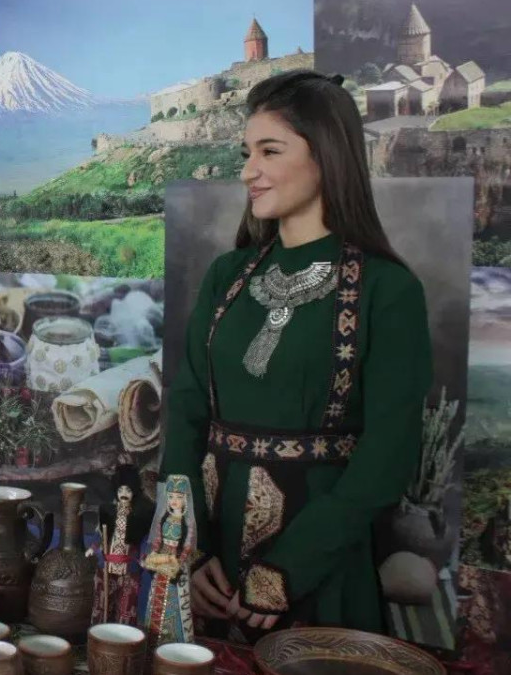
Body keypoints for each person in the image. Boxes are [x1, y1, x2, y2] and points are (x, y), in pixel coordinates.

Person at [160, 69, 433, 642]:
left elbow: (388, 454)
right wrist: (187, 542)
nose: (248, 171)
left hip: (320, 567)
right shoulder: (227, 276)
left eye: (270, 151)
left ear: (326, 156)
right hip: (208, 566)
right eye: (246, 153)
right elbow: (186, 412)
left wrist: (290, 569)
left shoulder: (388, 289)